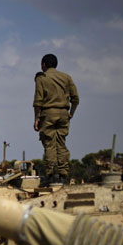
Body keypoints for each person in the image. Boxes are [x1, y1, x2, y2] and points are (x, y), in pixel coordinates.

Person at [33, 54, 79, 185]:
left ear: (44, 64)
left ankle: (52, 174)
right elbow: (76, 99)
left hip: (48, 114)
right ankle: (63, 174)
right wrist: (71, 113)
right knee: (61, 143)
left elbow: (38, 101)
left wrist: (36, 119)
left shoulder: (42, 78)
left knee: (49, 144)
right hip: (64, 113)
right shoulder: (66, 77)